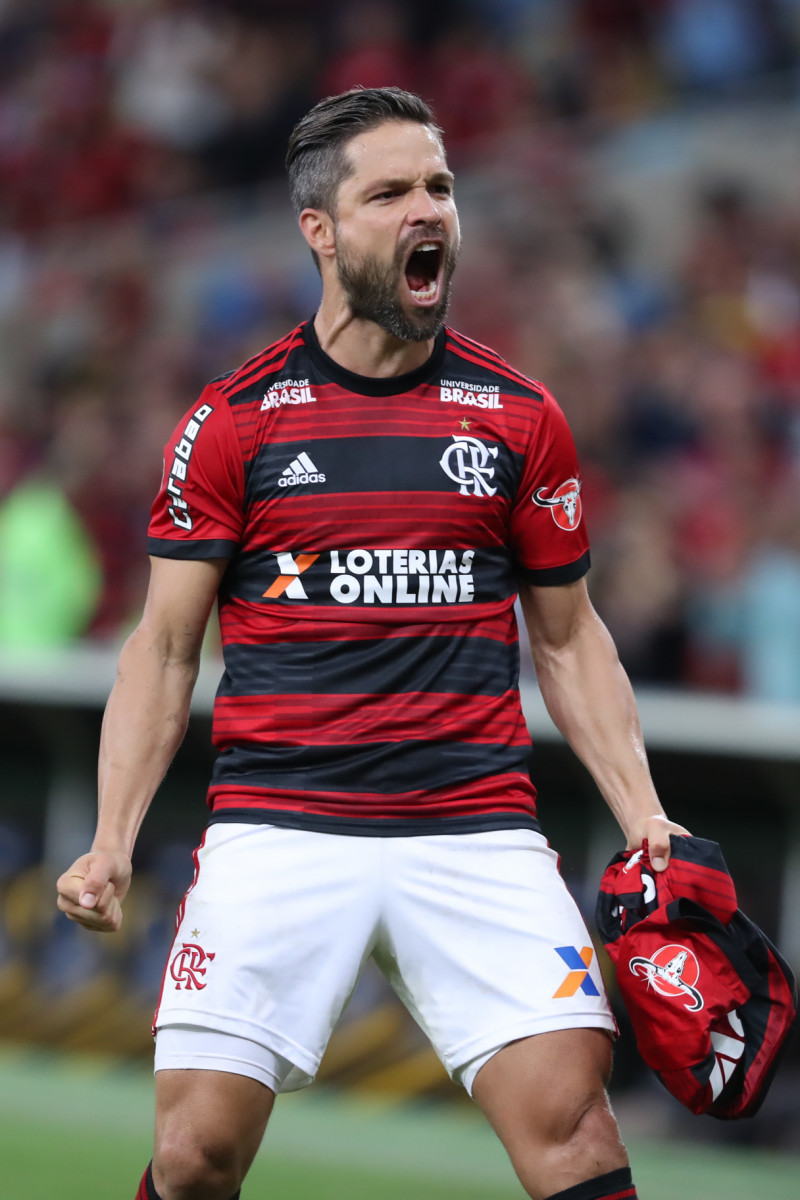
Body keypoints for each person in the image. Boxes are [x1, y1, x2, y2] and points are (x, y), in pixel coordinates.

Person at [57, 86, 689, 1200]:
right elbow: (162, 650)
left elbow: (569, 638)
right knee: (194, 1155)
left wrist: (643, 812)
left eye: (439, 186)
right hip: (281, 823)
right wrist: (113, 838)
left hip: (474, 827)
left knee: (576, 1134)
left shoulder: (518, 416)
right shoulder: (233, 421)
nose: (426, 209)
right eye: (390, 191)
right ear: (320, 229)